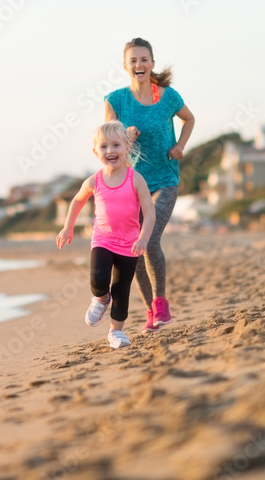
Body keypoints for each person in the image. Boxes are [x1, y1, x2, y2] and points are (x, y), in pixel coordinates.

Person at [103, 38, 195, 332]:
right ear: (125, 66)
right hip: (132, 184)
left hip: (165, 179)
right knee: (133, 249)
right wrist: (124, 136)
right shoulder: (115, 100)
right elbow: (108, 142)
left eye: (144, 59)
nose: (139, 65)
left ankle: (161, 303)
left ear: (152, 63)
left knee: (149, 240)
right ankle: (149, 311)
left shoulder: (168, 97)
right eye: (133, 60)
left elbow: (189, 119)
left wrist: (180, 145)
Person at [56, 121, 154, 349]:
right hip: (103, 240)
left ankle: (116, 332)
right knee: (98, 279)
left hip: (130, 245)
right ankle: (100, 298)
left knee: (122, 289)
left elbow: (150, 212)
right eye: (104, 146)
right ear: (95, 152)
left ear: (127, 147)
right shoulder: (94, 180)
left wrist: (144, 238)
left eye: (116, 145)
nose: (110, 151)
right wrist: (67, 227)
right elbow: (78, 200)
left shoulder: (135, 179)